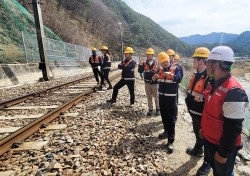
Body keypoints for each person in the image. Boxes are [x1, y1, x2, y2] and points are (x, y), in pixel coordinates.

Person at [200, 46, 249, 176]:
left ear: (215, 65)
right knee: (217, 171)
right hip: (210, 140)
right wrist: (203, 130)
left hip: (221, 146)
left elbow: (233, 128)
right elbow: (209, 111)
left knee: (223, 173)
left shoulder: (234, 92)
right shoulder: (213, 82)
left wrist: (223, 153)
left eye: (207, 62)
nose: (206, 65)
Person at [185, 47, 211, 176]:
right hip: (194, 111)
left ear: (201, 61)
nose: (193, 62)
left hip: (203, 114)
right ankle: (198, 149)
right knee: (197, 131)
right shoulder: (196, 74)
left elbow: (212, 95)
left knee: (207, 137)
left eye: (195, 59)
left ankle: (208, 162)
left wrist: (202, 97)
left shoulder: (209, 77)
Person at [152, 52, 182, 153]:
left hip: (171, 98)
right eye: (162, 62)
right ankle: (165, 131)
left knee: (171, 119)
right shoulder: (160, 69)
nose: (164, 64)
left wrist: (171, 75)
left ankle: (170, 141)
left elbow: (179, 79)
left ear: (169, 59)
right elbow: (156, 80)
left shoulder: (176, 68)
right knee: (164, 116)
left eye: (166, 61)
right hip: (162, 97)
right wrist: (154, 78)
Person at [138, 48, 160, 116]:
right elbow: (140, 71)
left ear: (152, 55)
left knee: (156, 97)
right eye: (147, 54)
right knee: (149, 97)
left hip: (155, 83)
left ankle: (157, 109)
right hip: (147, 83)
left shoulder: (157, 63)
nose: (148, 56)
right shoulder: (144, 63)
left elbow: (159, 72)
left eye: (149, 55)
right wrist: (141, 65)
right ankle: (150, 109)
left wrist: (152, 72)